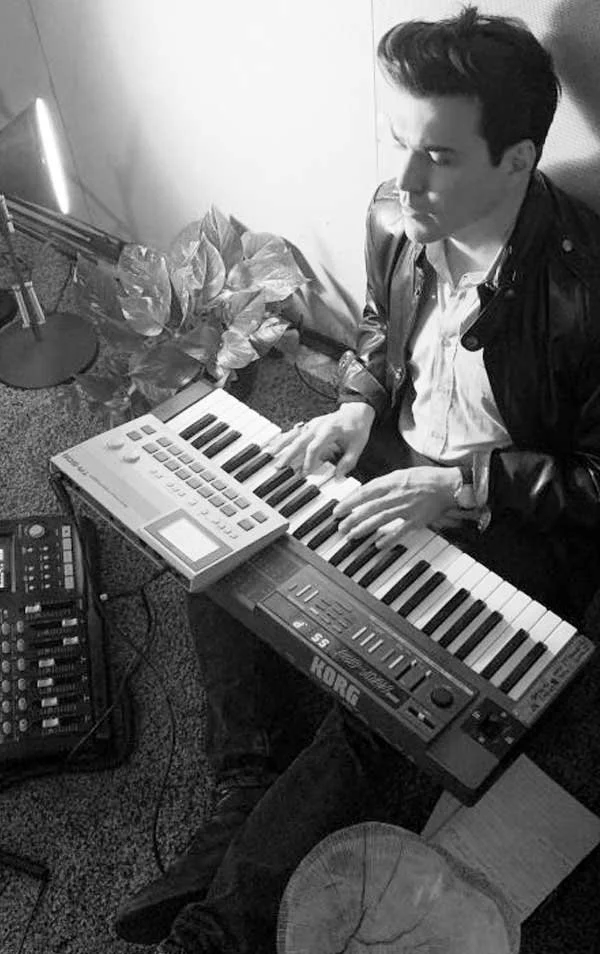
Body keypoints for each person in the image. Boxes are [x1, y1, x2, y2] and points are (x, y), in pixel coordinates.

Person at [114, 6, 600, 952]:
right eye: (400, 146)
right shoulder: (395, 213)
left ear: (517, 161)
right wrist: (356, 403)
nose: (407, 180)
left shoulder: (590, 291)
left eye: (440, 157)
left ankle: (219, 932)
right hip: (398, 453)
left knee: (394, 703)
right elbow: (381, 331)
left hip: (511, 514)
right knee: (230, 522)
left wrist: (467, 490)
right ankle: (247, 773)